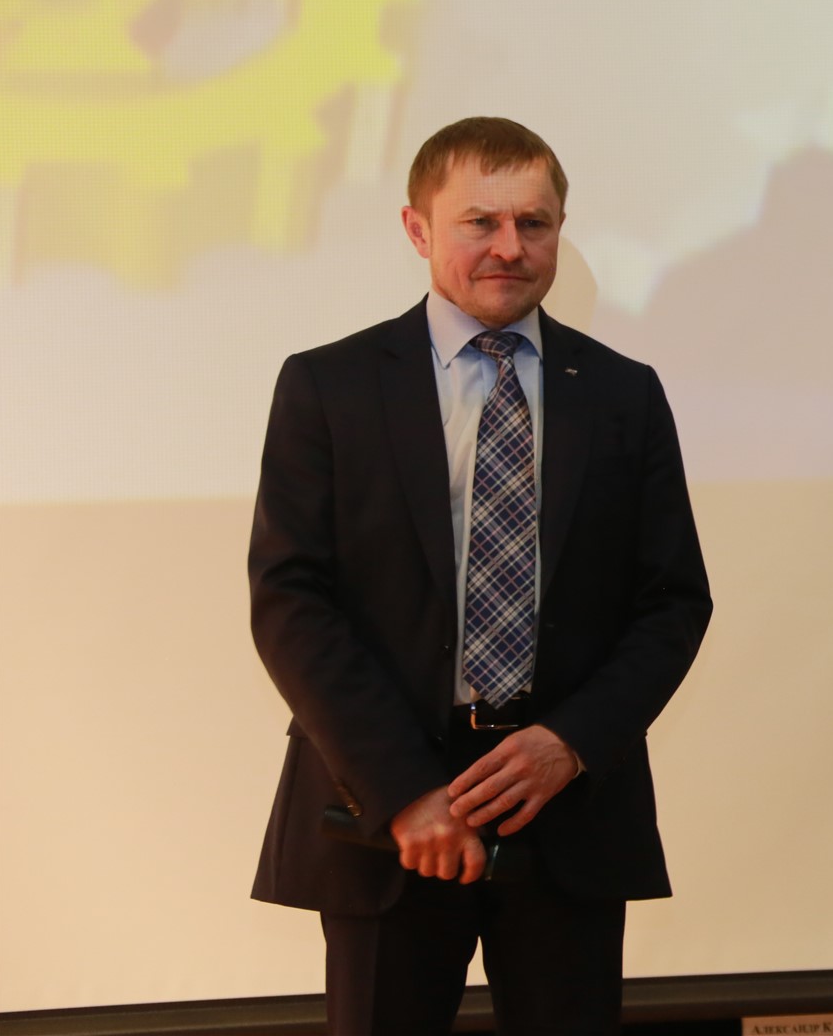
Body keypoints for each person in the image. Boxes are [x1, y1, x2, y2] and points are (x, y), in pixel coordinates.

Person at [250, 117, 712, 1034]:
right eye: (480, 223)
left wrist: (569, 743)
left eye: (533, 224)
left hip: (566, 807)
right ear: (417, 228)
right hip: (385, 813)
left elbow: (672, 602)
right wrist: (401, 791)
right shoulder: (328, 387)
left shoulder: (623, 393)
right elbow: (291, 602)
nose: (510, 247)